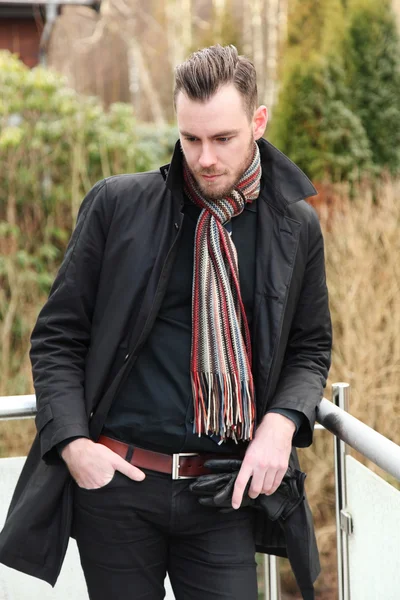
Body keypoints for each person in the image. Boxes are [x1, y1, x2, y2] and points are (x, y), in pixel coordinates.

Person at [0, 45, 331, 600]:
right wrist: (76, 447)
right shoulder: (117, 205)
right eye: (190, 138)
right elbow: (58, 337)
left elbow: (310, 345)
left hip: (223, 491)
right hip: (117, 487)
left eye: (222, 139)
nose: (204, 159)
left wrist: (282, 421)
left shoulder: (295, 226)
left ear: (258, 121)